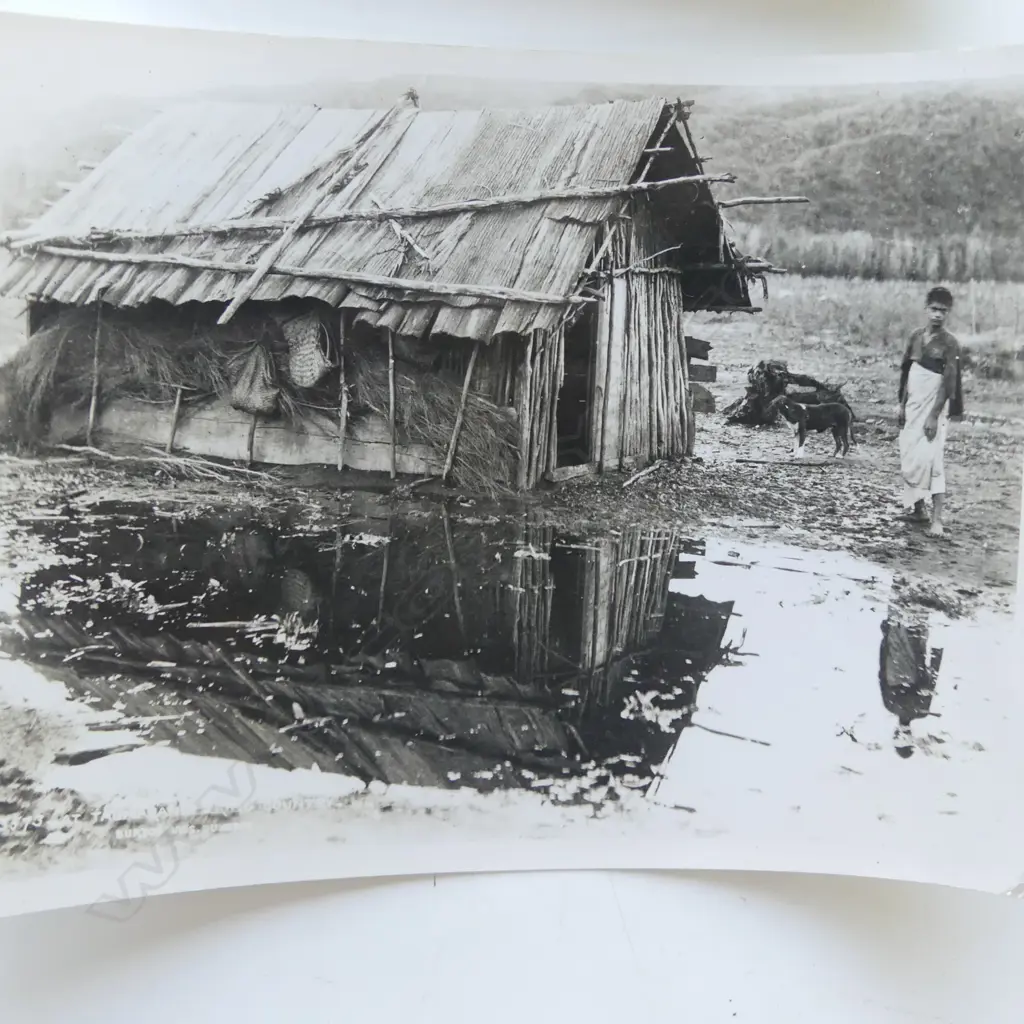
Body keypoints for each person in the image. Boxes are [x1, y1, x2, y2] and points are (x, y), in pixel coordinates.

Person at [897, 286, 964, 537]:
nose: (938, 315)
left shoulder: (950, 343)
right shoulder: (915, 336)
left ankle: (937, 520)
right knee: (910, 454)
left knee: (932, 459)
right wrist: (902, 404)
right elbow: (907, 372)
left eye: (943, 311)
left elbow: (948, 382)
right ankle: (918, 509)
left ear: (948, 313)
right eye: (934, 309)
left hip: (933, 405)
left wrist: (934, 415)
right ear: (926, 309)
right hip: (913, 402)